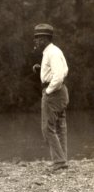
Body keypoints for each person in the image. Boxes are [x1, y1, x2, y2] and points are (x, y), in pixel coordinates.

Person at [33, 23, 69, 171]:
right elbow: (63, 69)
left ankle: (59, 161)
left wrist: (48, 91)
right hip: (60, 92)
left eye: (37, 38)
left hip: (54, 93)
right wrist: (41, 70)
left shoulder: (51, 53)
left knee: (47, 129)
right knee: (60, 127)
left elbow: (59, 76)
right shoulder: (54, 51)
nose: (35, 41)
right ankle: (61, 160)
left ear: (44, 39)